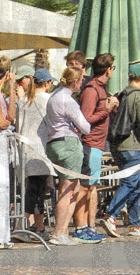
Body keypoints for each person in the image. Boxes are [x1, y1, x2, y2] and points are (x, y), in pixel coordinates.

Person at [102, 64, 140, 238]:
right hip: (133, 146)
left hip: (117, 146)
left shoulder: (121, 94)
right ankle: (110, 215)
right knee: (130, 183)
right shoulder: (139, 96)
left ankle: (134, 224)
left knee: (136, 184)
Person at [44, 66, 92, 246]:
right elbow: (86, 127)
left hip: (53, 142)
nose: (82, 83)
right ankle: (58, 232)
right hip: (68, 143)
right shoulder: (68, 100)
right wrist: (77, 127)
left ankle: (63, 231)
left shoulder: (53, 96)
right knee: (67, 189)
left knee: (74, 187)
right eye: (81, 80)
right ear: (76, 81)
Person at [72, 53, 117, 243]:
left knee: (91, 187)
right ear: (108, 70)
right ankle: (80, 228)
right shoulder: (91, 90)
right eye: (112, 68)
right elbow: (85, 119)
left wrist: (110, 108)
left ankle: (87, 227)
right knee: (84, 187)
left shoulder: (101, 89)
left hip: (98, 144)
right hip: (90, 143)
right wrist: (107, 109)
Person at [15, 68, 53, 234]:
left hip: (24, 149)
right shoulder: (47, 100)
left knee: (35, 189)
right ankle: (20, 226)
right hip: (40, 149)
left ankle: (39, 226)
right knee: (35, 191)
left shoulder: (23, 100)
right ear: (47, 83)